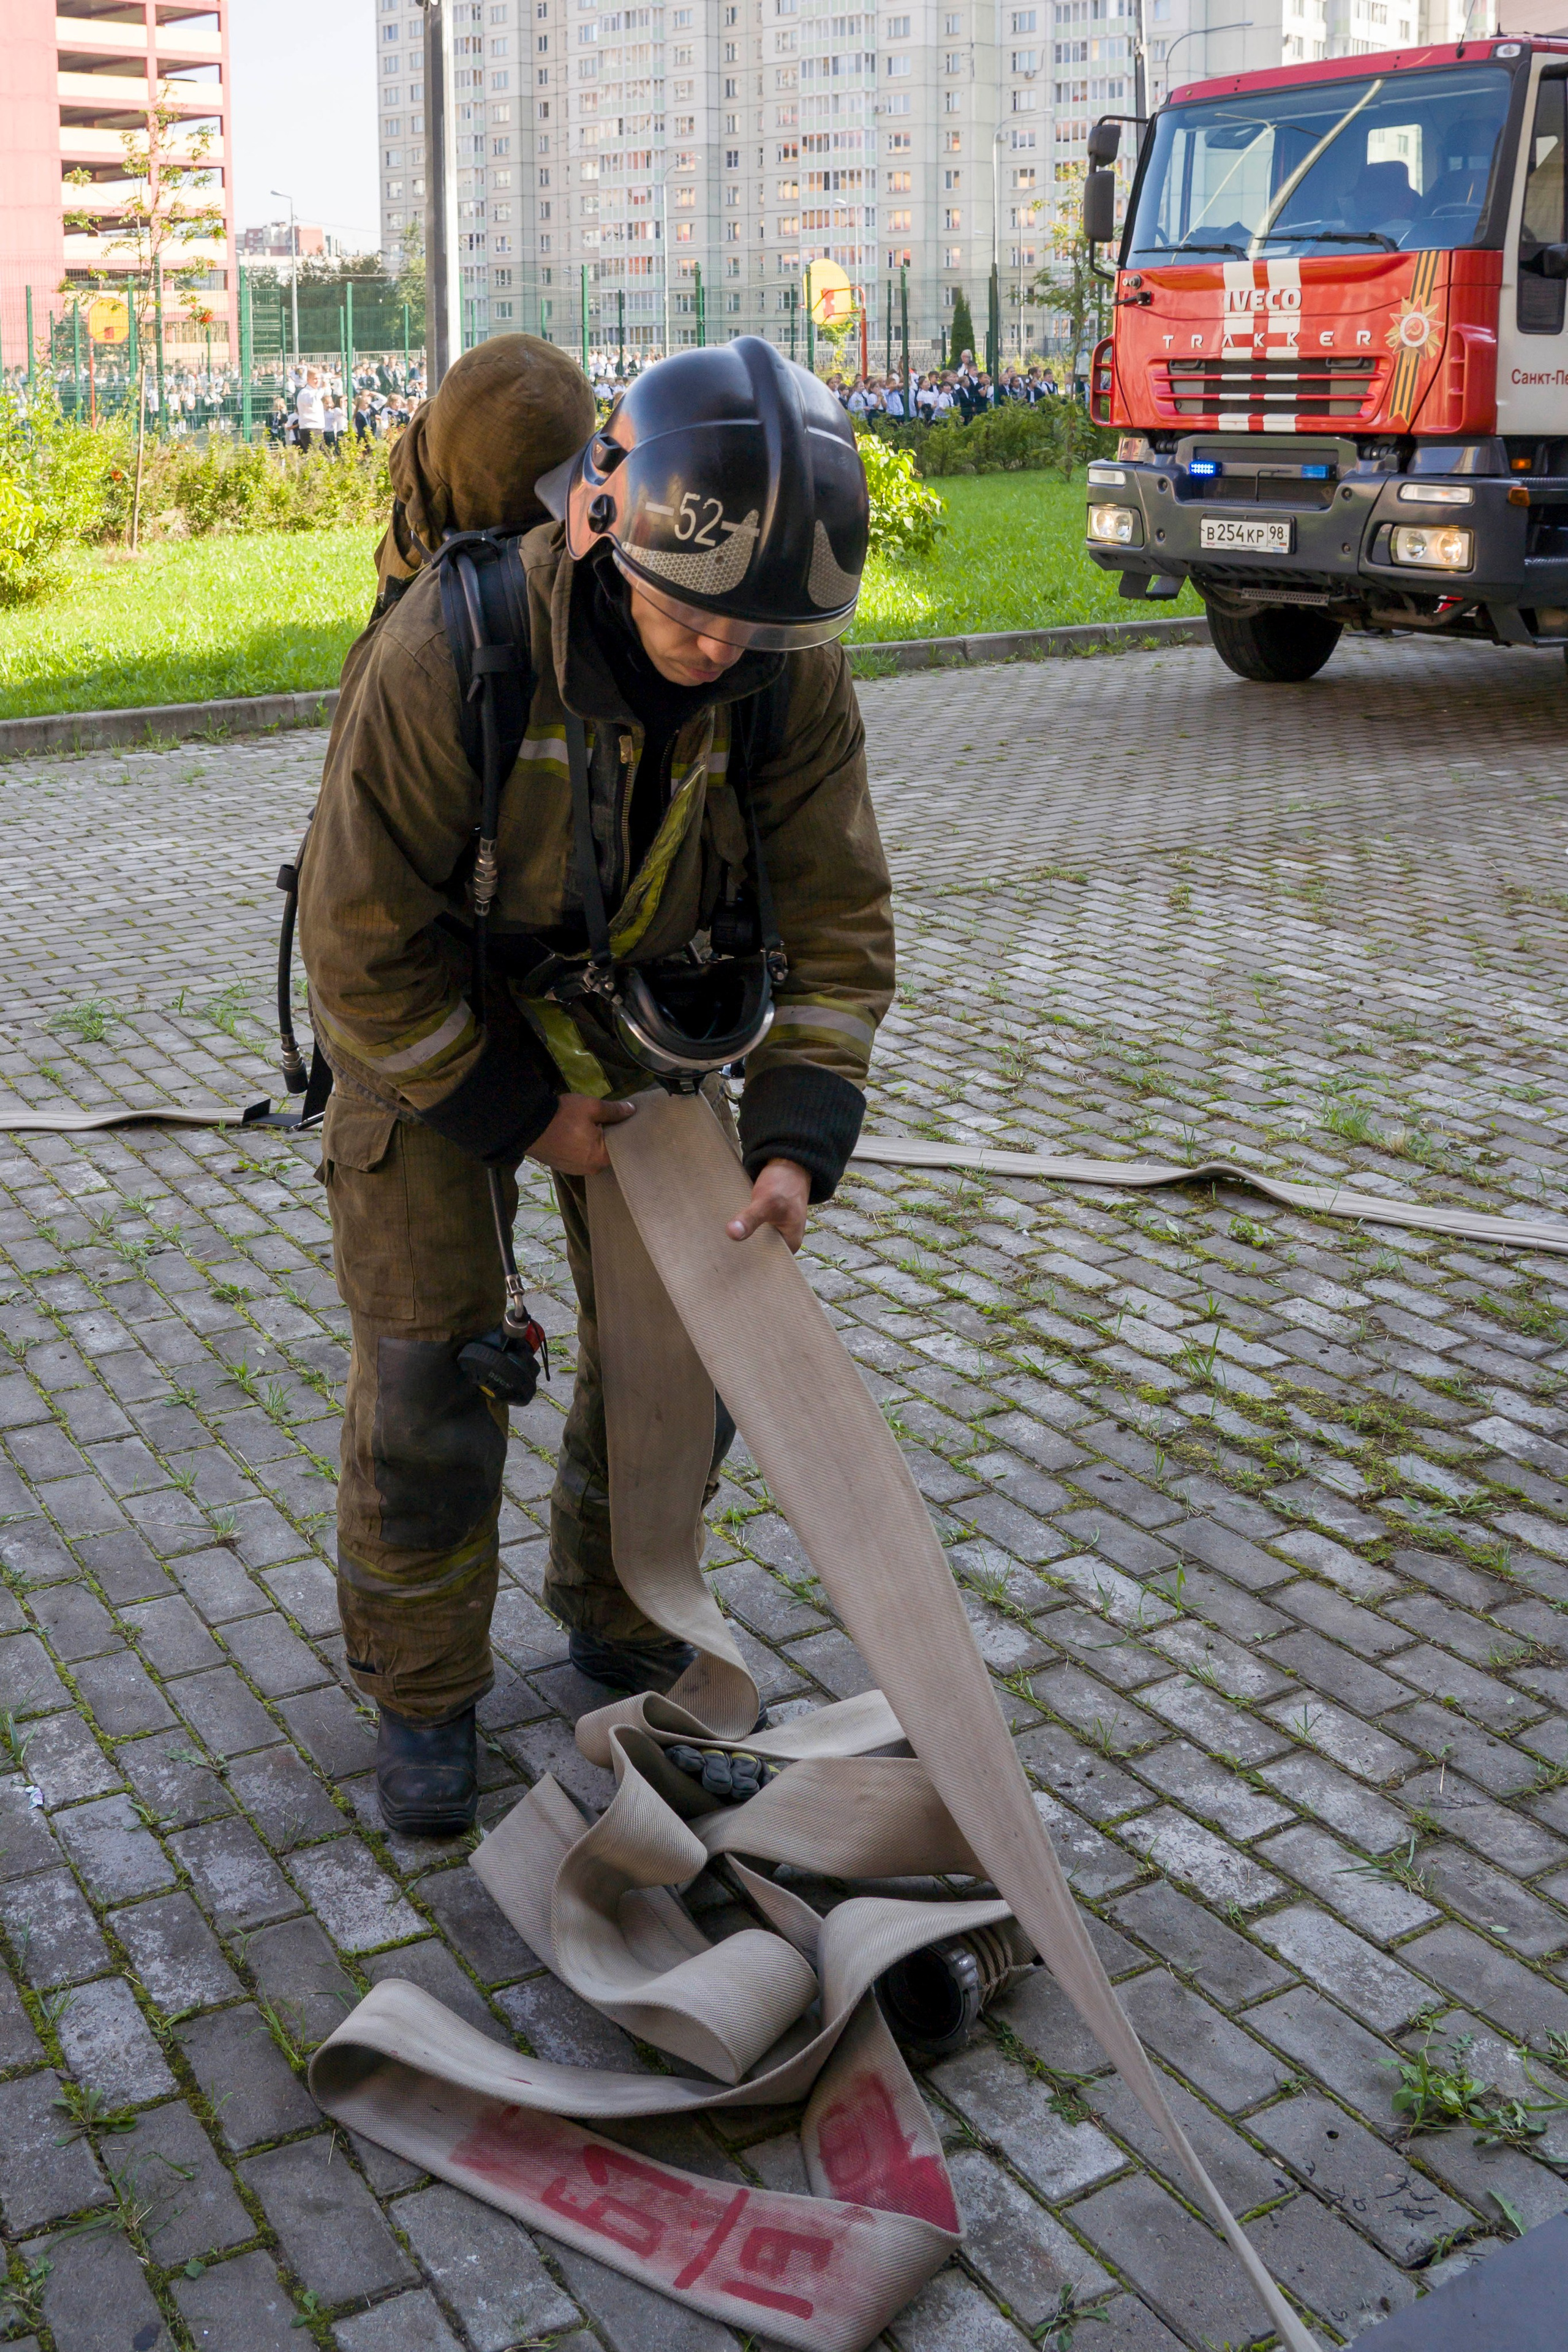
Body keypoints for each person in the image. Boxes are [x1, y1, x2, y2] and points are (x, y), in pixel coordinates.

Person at [297, 336, 892, 1838]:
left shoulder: (781, 666)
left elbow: (835, 919)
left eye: (756, 630)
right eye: (694, 619)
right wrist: (518, 1116)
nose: (720, 653)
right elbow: (360, 945)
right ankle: (423, 1689)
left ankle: (620, 1603)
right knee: (434, 1370)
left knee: (690, 1345)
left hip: (631, 1010)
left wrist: (797, 1138)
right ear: (598, 521)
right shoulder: (452, 649)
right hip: (430, 1016)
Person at [295, 366, 325, 451]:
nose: (318, 381)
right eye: (315, 379)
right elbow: (312, 402)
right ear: (308, 379)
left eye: (319, 378)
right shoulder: (305, 393)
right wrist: (322, 389)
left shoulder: (315, 392)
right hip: (309, 429)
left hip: (318, 429)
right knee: (314, 457)